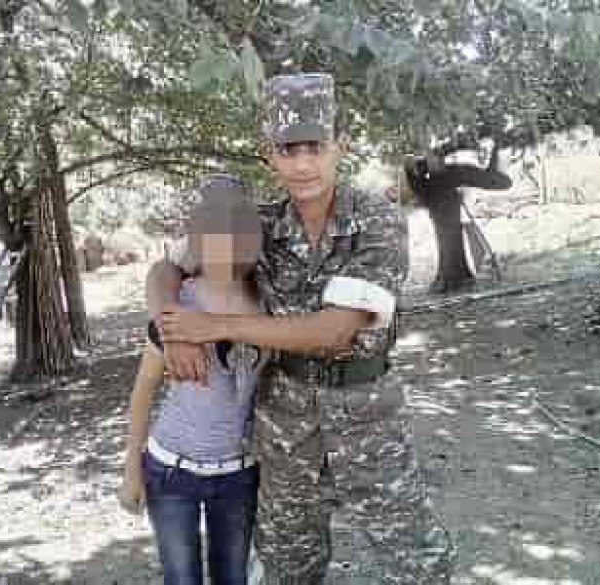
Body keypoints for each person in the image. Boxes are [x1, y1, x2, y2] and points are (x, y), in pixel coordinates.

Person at [148, 73, 455, 584]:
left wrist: (214, 324)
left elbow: (335, 331)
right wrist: (174, 329)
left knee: (417, 564)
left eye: (315, 147)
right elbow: (166, 268)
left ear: (341, 147)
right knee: (290, 568)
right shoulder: (259, 224)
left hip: (368, 423)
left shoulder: (378, 220)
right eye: (288, 150)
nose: (303, 164)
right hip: (285, 432)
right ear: (269, 154)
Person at [118, 175, 267, 585]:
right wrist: (131, 469)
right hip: (172, 473)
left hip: (239, 475)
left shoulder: (271, 303)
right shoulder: (177, 302)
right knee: (181, 578)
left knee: (232, 578)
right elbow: (143, 391)